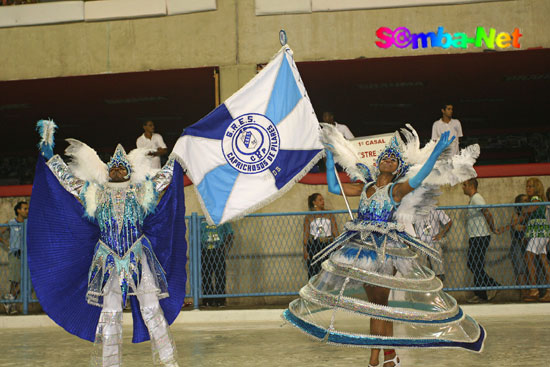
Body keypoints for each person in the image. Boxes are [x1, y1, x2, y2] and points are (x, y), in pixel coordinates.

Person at [284, 124, 485, 367]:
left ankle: (376, 358)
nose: (388, 161)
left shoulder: (396, 190)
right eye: (385, 158)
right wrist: (329, 159)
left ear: (397, 168)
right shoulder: (365, 187)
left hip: (385, 252)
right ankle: (386, 356)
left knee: (379, 306)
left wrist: (437, 151)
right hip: (359, 249)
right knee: (376, 307)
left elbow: (419, 178)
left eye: (393, 160)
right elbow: (334, 187)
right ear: (378, 162)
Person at [28, 120, 186, 367]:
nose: (116, 171)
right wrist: (51, 159)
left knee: (152, 310)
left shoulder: (141, 191)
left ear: (129, 171)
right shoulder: (95, 193)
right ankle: (110, 364)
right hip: (108, 258)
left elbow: (166, 175)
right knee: (109, 315)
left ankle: (169, 362)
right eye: (113, 168)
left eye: (122, 168)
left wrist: (181, 152)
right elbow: (67, 181)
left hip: (137, 255)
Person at [462, 178, 500, 303]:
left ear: (471, 186)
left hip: (480, 236)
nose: (463, 187)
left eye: (465, 185)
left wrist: (492, 228)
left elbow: (487, 213)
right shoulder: (473, 199)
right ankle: (487, 288)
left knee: (475, 264)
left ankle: (486, 290)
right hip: (475, 236)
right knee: (474, 264)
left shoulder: (477, 198)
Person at [522, 178, 550, 302]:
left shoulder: (536, 199)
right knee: (543, 259)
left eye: (531, 186)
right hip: (539, 232)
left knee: (529, 256)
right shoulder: (535, 200)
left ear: (537, 188)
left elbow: (531, 209)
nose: (528, 189)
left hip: (539, 232)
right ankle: (547, 290)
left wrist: (524, 210)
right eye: (527, 186)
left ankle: (534, 289)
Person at [498, 194, 530, 301]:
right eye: (524, 201)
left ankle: (532, 291)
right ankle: (524, 292)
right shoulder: (517, 215)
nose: (527, 203)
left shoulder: (532, 214)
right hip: (518, 244)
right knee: (520, 268)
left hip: (528, 244)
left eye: (527, 200)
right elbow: (516, 227)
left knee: (530, 268)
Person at [0, 201, 28, 315]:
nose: (27, 211)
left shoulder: (28, 223)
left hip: (26, 255)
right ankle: (11, 303)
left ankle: (9, 299)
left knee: (25, 281)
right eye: (25, 209)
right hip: (15, 254)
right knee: (15, 281)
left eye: (27, 209)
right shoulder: (11, 223)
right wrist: (5, 242)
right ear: (18, 210)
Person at [303, 193, 338, 279]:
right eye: (320, 200)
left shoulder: (329, 214)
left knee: (329, 270)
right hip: (314, 246)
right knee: (315, 270)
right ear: (314, 202)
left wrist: (338, 244)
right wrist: (305, 250)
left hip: (328, 244)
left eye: (323, 200)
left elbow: (335, 231)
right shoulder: (309, 217)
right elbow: (305, 235)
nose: (323, 202)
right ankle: (314, 289)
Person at [200, 220, 234, 307]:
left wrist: (225, 248)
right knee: (206, 275)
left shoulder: (223, 220)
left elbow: (230, 234)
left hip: (218, 250)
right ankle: (208, 300)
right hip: (205, 251)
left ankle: (220, 300)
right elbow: (196, 236)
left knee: (220, 275)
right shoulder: (201, 221)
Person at [413, 207, 452, 282]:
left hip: (434, 242)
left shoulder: (436, 209)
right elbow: (409, 223)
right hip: (420, 243)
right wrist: (414, 235)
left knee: (439, 271)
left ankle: (438, 289)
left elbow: (448, 222)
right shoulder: (415, 209)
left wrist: (441, 234)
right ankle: (423, 290)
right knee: (420, 271)